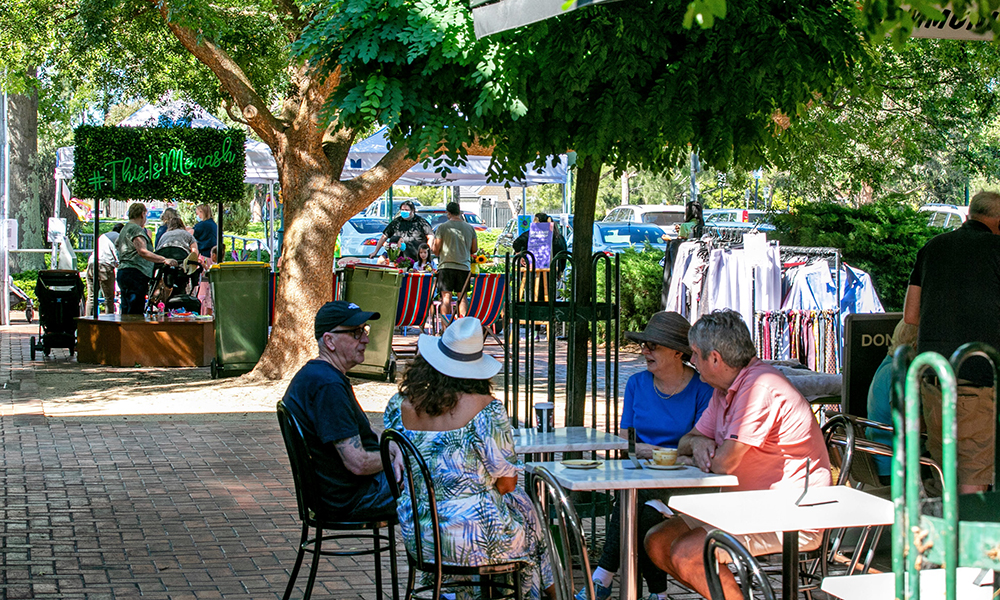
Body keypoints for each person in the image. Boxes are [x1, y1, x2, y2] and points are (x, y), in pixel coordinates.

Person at [644, 310, 831, 600]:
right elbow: (687, 441)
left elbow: (724, 464)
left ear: (715, 359)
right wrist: (698, 445)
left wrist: (702, 451)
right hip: (746, 505)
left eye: (695, 355)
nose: (692, 361)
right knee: (657, 541)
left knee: (688, 553)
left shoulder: (759, 387)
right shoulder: (724, 389)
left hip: (790, 513)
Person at [383, 317, 554, 599]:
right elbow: (507, 483)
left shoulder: (398, 406)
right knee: (525, 509)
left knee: (523, 511)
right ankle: (550, 592)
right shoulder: (486, 410)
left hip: (422, 536)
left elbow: (396, 454)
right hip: (477, 539)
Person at [578, 311, 713, 600]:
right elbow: (626, 442)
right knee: (644, 512)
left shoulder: (703, 389)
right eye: (644, 345)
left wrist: (653, 452)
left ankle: (602, 578)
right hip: (644, 476)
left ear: (678, 352)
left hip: (683, 482)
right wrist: (672, 453)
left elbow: (699, 446)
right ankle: (657, 594)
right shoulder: (637, 384)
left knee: (634, 506)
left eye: (653, 346)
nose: (644, 351)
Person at [903, 190, 1000, 494]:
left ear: (970, 215)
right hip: (978, 379)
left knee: (945, 467)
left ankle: (943, 524)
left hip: (934, 377)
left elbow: (911, 315)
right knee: (974, 473)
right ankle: (968, 526)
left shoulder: (933, 247)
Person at [280, 301, 401, 519]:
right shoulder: (328, 386)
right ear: (329, 341)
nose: (365, 339)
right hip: (352, 498)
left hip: (344, 493)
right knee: (436, 478)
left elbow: (362, 434)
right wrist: (395, 456)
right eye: (355, 333)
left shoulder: (320, 375)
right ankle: (438, 541)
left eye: (364, 330)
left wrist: (393, 446)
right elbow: (358, 463)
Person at [865, 319, 918, 483]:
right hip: (894, 465)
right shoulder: (898, 371)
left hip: (880, 459)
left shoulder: (886, 365)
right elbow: (905, 422)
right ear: (916, 344)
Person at [115, 203, 178, 315]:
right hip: (135, 273)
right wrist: (164, 259)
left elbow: (117, 244)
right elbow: (143, 251)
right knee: (135, 310)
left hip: (124, 271)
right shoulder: (136, 229)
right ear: (142, 214)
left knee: (126, 309)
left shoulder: (125, 228)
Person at [430, 202, 477, 324]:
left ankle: (446, 327)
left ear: (448, 213)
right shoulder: (470, 228)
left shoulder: (442, 227)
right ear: (459, 212)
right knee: (462, 298)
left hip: (446, 266)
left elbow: (436, 250)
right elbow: (474, 249)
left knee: (446, 298)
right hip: (464, 267)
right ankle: (462, 327)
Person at [369, 200, 433, 263]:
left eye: (406, 210)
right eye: (402, 210)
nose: (404, 211)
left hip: (417, 259)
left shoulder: (421, 222)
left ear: (412, 211)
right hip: (399, 260)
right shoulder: (396, 222)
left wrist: (427, 252)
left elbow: (431, 237)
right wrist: (375, 252)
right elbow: (384, 237)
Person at [85, 223, 124, 316]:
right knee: (109, 298)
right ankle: (109, 320)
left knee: (91, 297)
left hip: (92, 264)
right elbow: (118, 256)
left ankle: (88, 319)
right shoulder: (118, 237)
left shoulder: (103, 236)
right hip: (105, 266)